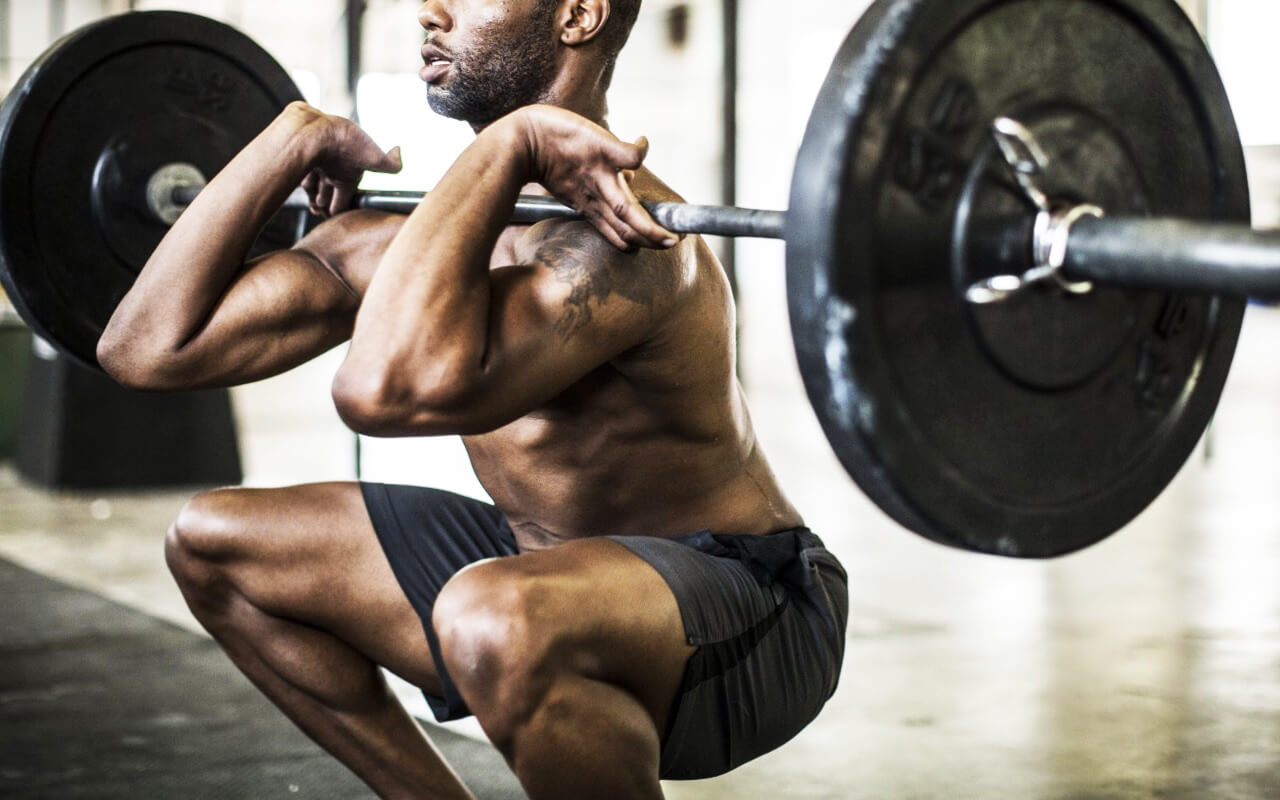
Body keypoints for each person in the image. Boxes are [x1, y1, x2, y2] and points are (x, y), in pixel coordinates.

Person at [97, 0, 848, 797]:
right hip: (542, 568)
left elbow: (378, 392)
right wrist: (286, 140)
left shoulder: (626, 244)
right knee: (214, 542)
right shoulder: (410, 238)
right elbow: (142, 349)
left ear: (578, 16)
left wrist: (511, 142)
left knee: (493, 614)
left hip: (748, 607)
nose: (431, 11)